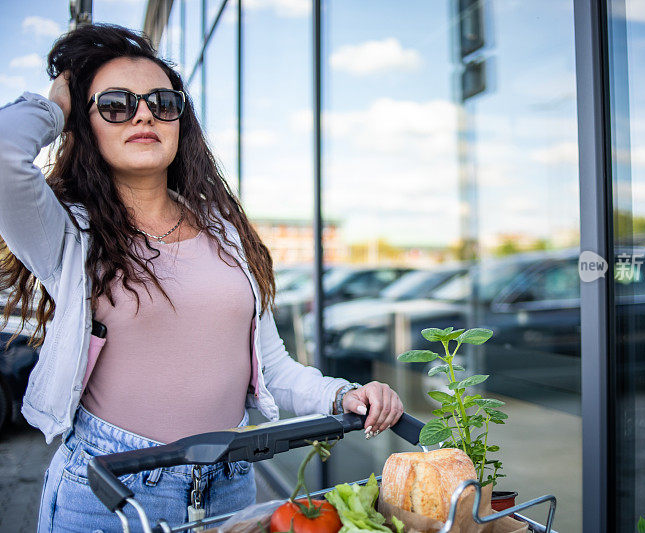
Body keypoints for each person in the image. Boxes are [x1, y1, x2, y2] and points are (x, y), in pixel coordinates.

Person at [0, 23, 404, 532]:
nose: (143, 113)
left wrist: (342, 395)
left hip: (230, 484)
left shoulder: (225, 232)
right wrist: (57, 102)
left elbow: (270, 369)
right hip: (112, 491)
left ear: (179, 121)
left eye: (161, 101)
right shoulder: (68, 234)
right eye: (116, 104)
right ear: (84, 124)